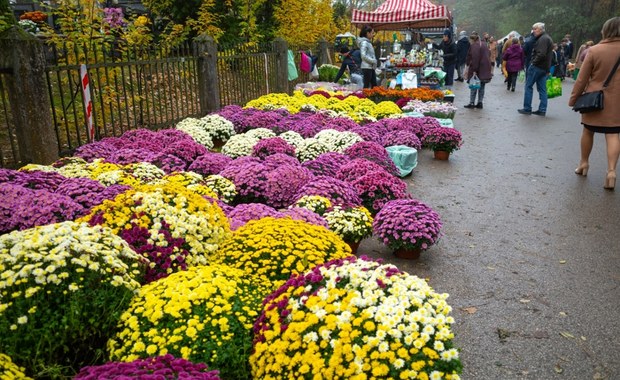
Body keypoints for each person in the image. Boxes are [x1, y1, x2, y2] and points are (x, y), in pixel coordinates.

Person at [568, 16, 620, 190]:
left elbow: (582, 79)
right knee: (613, 134)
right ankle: (611, 172)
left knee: (588, 131)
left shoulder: (595, 50)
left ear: (606, 30)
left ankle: (583, 164)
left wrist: (574, 98)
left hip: (595, 99)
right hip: (618, 101)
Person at [518, 22, 554, 116]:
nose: (533, 31)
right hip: (544, 68)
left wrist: (533, 63)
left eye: (535, 29)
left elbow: (541, 54)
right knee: (542, 89)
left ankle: (527, 108)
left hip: (537, 67)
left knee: (528, 86)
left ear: (541, 29)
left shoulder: (543, 39)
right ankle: (542, 110)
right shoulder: (547, 38)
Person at [464, 32, 493, 109]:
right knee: (482, 86)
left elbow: (475, 58)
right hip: (485, 68)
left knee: (474, 85)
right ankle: (480, 102)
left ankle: (472, 102)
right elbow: (489, 54)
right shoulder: (483, 44)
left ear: (473, 39)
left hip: (478, 69)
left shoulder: (474, 46)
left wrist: (474, 70)